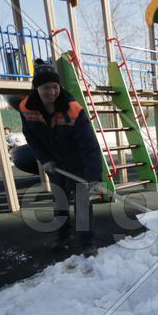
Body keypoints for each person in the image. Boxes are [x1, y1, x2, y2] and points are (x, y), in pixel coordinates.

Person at [18, 59, 103, 255]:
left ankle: (87, 242)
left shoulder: (73, 109)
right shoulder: (26, 107)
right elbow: (31, 137)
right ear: (36, 88)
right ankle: (64, 236)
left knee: (81, 202)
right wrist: (45, 159)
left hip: (78, 162)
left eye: (55, 87)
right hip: (54, 163)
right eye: (46, 87)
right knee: (60, 200)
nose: (51, 92)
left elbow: (89, 146)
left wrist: (93, 177)